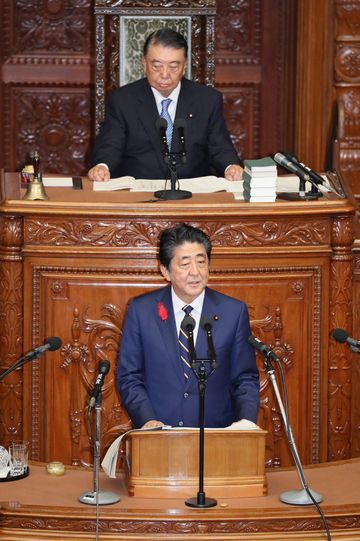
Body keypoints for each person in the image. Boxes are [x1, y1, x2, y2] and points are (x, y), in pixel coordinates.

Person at [117, 223, 259, 429]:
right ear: (165, 271)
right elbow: (129, 376)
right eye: (185, 264)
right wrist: (147, 420)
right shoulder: (142, 310)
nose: (196, 272)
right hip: (158, 436)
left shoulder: (233, 312)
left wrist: (246, 423)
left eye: (201, 262)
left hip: (216, 436)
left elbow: (245, 377)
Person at [88, 28, 243, 182]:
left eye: (173, 67)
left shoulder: (207, 100)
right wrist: (102, 167)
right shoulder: (122, 100)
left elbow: (220, 146)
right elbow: (110, 144)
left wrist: (231, 167)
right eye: (156, 66)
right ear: (144, 62)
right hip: (138, 194)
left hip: (192, 194)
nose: (164, 75)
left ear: (185, 65)